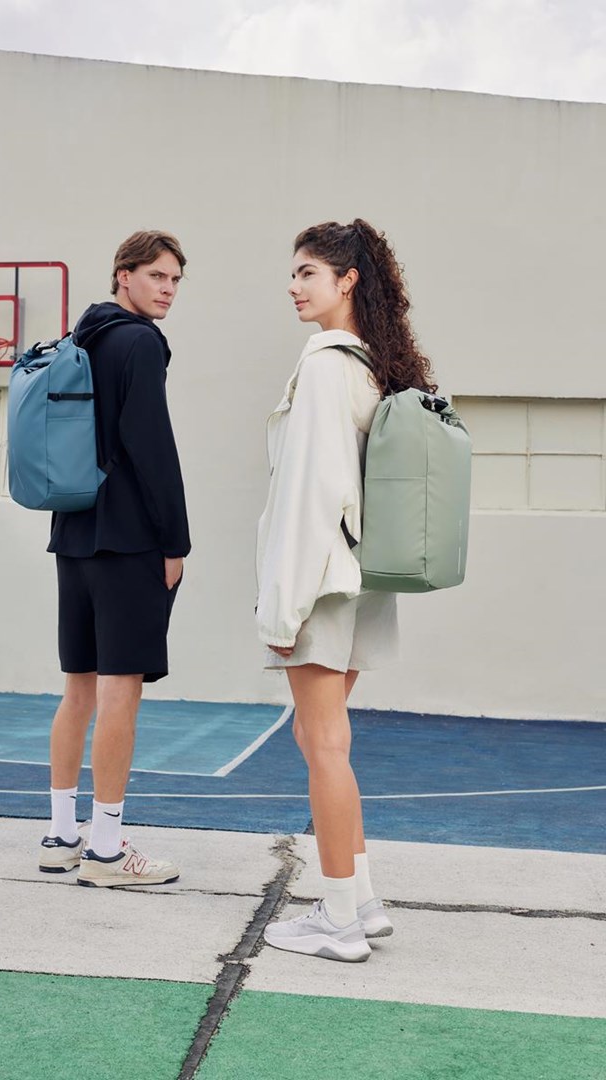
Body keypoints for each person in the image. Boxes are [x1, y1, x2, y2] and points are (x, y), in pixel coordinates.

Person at [256, 219, 437, 962]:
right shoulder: (372, 365)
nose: (293, 286)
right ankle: (359, 899)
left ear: (347, 280)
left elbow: (310, 493)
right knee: (322, 738)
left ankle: (336, 919)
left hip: (321, 580)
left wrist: (283, 607)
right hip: (358, 579)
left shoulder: (328, 366)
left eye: (307, 272)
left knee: (324, 744)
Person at [38, 230, 191, 888]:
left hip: (73, 534)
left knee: (78, 689)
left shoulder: (82, 337)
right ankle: (105, 851)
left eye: (176, 280)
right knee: (119, 692)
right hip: (128, 541)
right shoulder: (139, 343)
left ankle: (60, 835)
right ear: (123, 275)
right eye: (157, 275)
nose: (168, 289)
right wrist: (176, 541)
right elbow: (152, 446)